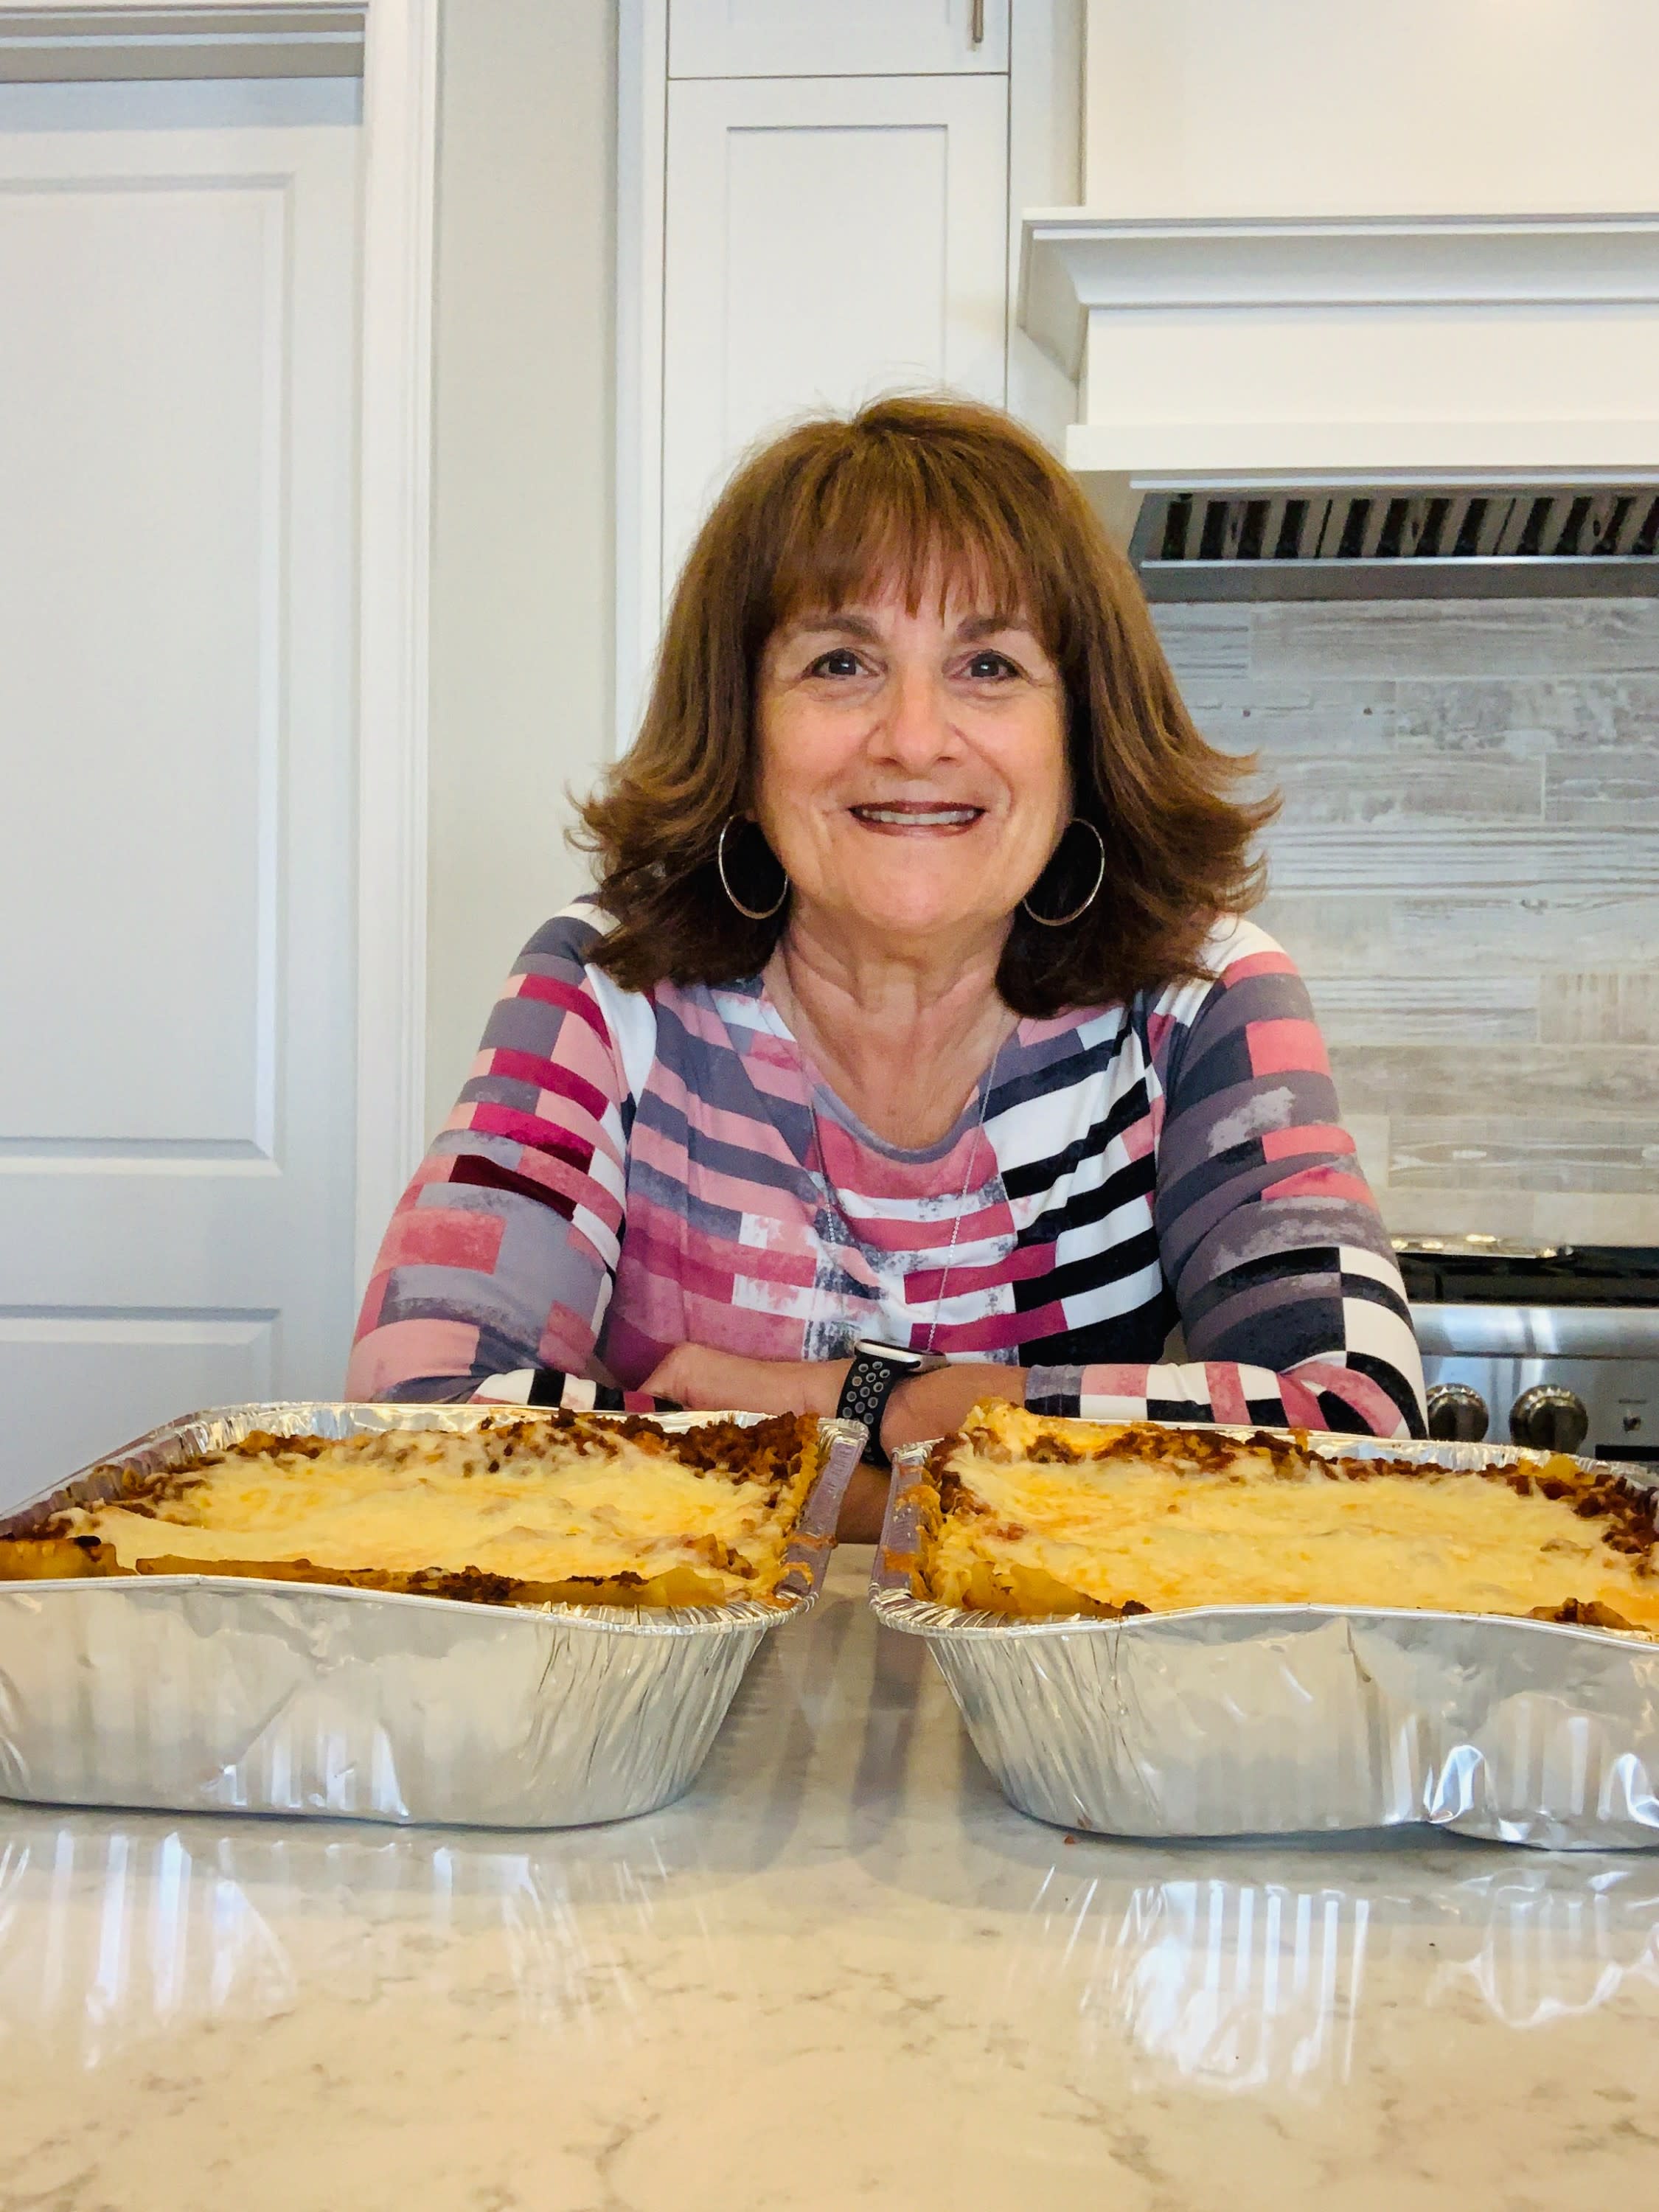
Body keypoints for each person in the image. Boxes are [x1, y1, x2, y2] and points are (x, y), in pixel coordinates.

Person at [346, 395, 1425, 1538]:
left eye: (990, 666)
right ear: (742, 724)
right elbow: (422, 1424)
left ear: (1083, 732)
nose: (913, 738)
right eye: (841, 661)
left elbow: (1350, 1435)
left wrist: (860, 1402)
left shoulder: (1198, 1002)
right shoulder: (605, 984)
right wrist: (977, 1455)